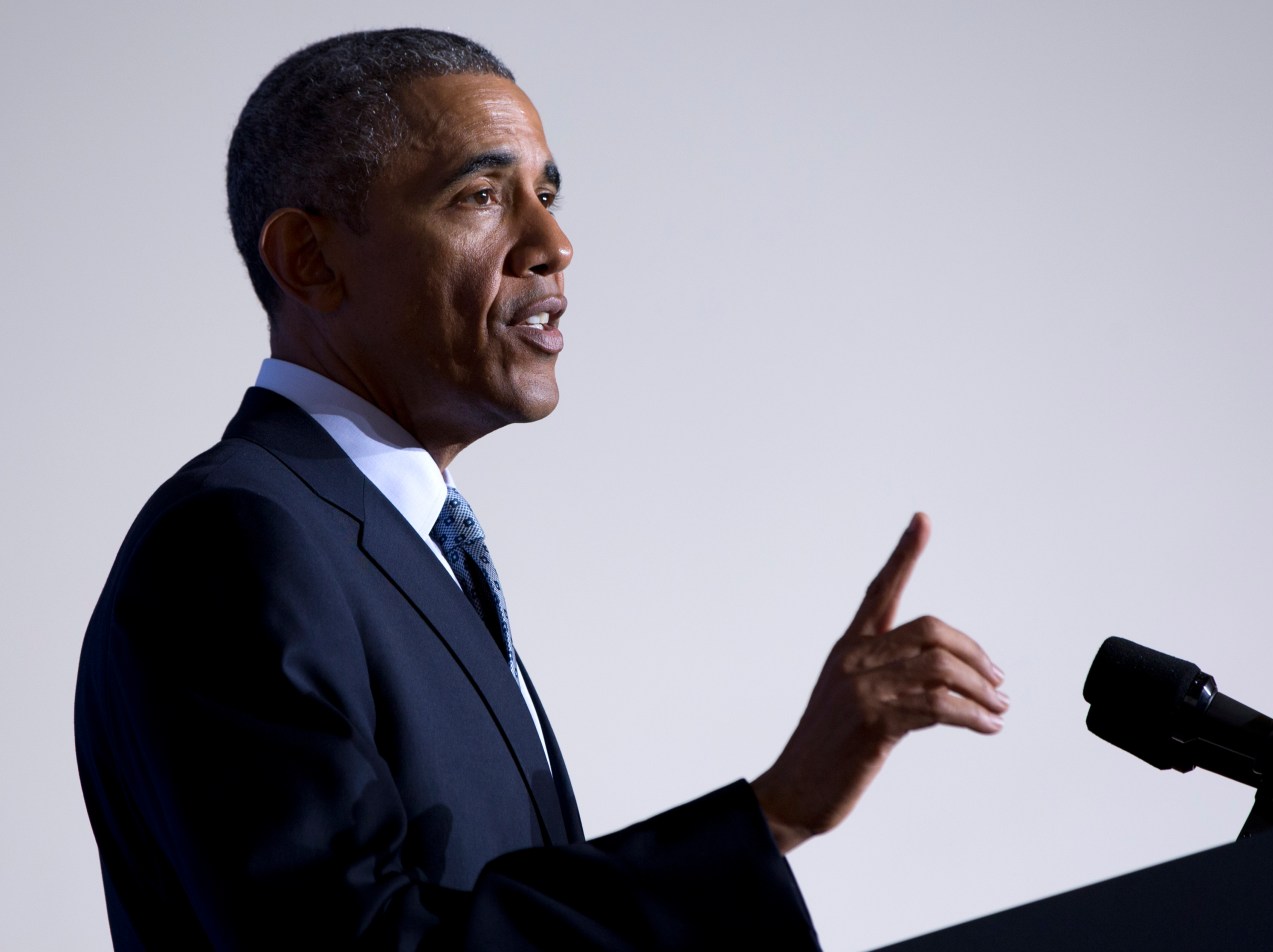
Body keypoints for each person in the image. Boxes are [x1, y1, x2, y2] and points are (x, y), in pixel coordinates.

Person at [74, 28, 1009, 950]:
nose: (554, 243)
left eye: (548, 195)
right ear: (310, 261)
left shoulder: (396, 543)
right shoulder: (236, 543)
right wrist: (773, 816)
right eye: (481, 195)